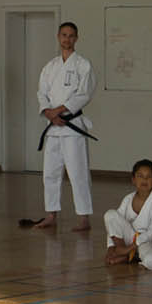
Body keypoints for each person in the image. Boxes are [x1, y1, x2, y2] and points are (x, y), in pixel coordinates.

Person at [33, 21, 96, 231]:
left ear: (76, 38)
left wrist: (59, 110)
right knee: (50, 173)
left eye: (71, 35)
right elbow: (41, 93)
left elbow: (84, 94)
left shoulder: (83, 65)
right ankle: (51, 214)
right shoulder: (49, 67)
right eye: (63, 35)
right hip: (53, 128)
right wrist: (48, 113)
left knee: (78, 173)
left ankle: (84, 217)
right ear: (58, 37)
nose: (67, 39)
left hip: (72, 126)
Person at [104, 159, 152, 266]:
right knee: (110, 215)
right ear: (133, 179)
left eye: (149, 176)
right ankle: (122, 252)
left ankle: (128, 253)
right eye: (140, 176)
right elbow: (113, 226)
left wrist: (132, 246)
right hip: (130, 238)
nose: (144, 180)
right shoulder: (128, 199)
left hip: (147, 241)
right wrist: (110, 247)